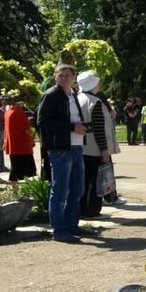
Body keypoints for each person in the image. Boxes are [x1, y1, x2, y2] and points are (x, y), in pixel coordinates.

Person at [36, 57, 88, 242]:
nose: (64, 78)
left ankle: (71, 225)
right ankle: (58, 230)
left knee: (77, 188)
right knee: (60, 190)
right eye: (61, 75)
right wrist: (72, 127)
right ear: (55, 77)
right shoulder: (51, 95)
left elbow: (72, 117)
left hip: (76, 146)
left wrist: (80, 127)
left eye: (68, 75)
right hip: (60, 148)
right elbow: (43, 122)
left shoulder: (72, 94)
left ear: (74, 78)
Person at [77, 70, 119, 219]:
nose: (99, 85)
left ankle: (81, 210)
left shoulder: (77, 99)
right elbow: (99, 129)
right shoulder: (95, 102)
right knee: (96, 181)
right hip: (94, 148)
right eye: (97, 82)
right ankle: (93, 210)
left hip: (80, 146)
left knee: (82, 180)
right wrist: (104, 150)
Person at [2, 95, 36, 185]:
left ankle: (15, 190)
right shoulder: (19, 112)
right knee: (28, 170)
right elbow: (26, 129)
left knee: (15, 167)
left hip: (13, 144)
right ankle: (26, 190)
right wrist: (33, 135)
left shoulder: (8, 111)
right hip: (22, 145)